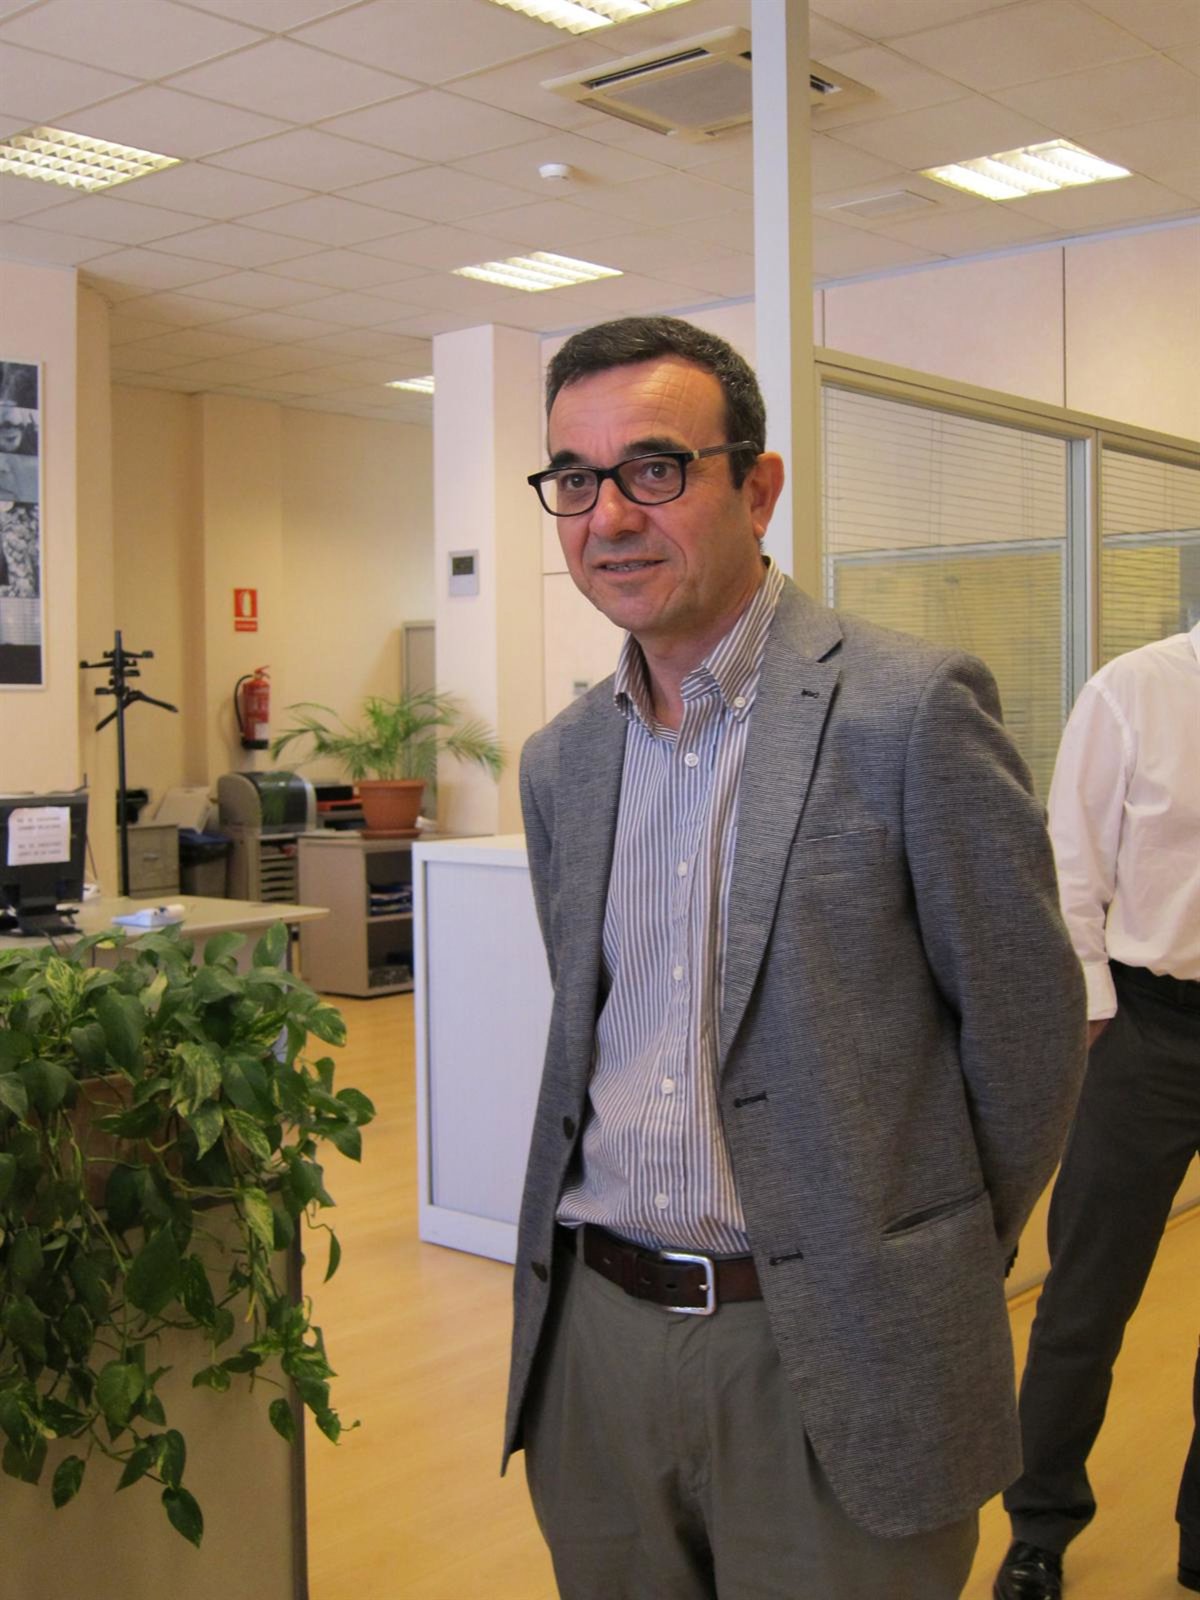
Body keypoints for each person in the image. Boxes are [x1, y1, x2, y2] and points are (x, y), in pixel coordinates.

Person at [504, 315, 1087, 1600]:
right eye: (576, 480)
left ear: (757, 487)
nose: (610, 517)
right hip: (596, 1341)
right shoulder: (562, 762)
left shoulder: (909, 709)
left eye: (655, 469)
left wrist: (919, 1251)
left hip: (834, 1345)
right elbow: (590, 1030)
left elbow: (1028, 1032)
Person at [994, 619, 1200, 1600]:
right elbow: (1069, 868)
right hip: (1147, 1029)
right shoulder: (1134, 690)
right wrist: (1091, 1018)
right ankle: (1039, 1527)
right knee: (1085, 1299)